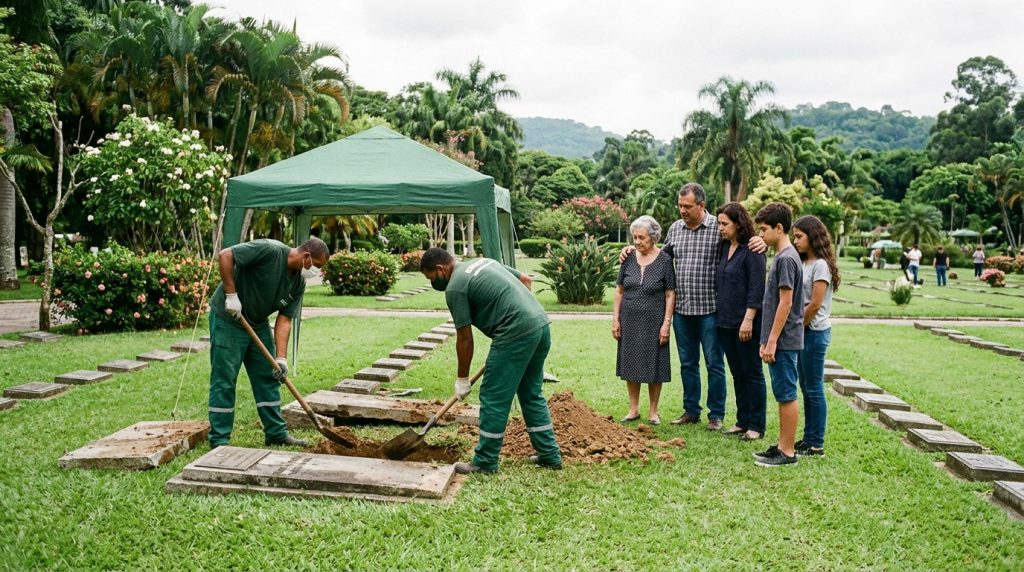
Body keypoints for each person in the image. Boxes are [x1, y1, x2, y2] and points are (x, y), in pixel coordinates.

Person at [421, 248, 561, 474]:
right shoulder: (483, 261)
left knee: (493, 396)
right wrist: (523, 314)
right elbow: (525, 279)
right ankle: (549, 455)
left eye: (432, 278)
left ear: (440, 269)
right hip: (540, 324)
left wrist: (462, 379)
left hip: (515, 332)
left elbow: (464, 338)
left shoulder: (455, 287)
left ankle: (485, 461)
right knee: (530, 393)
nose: (433, 284)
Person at [207, 237, 329, 449]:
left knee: (270, 375)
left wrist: (281, 359)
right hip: (228, 319)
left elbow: (284, 320)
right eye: (317, 266)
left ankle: (276, 433)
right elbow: (225, 255)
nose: (316, 271)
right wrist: (231, 295)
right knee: (225, 378)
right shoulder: (270, 250)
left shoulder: (298, 283)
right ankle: (219, 440)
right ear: (306, 256)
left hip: (258, 323)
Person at [752, 202, 803, 467]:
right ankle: (783, 445)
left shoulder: (785, 258)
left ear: (779, 228)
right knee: (783, 392)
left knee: (786, 394)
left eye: (763, 229)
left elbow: (785, 302)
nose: (760, 235)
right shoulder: (786, 256)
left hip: (783, 340)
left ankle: (788, 452)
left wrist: (771, 340)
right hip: (780, 339)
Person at [613, 216, 676, 425]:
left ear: (654, 237)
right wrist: (615, 320)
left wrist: (666, 323)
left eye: (641, 237)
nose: (637, 241)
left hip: (654, 320)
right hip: (629, 318)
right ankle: (633, 409)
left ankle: (653, 412)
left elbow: (670, 294)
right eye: (635, 237)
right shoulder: (628, 258)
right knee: (630, 361)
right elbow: (619, 290)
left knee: (655, 363)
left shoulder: (665, 260)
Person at [714, 203, 766, 441]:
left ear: (738, 223)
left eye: (725, 224)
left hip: (746, 323)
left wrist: (748, 320)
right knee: (737, 373)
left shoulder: (752, 249)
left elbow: (757, 289)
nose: (720, 228)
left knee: (752, 372)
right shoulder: (724, 247)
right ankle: (742, 420)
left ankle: (756, 424)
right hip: (724, 322)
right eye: (718, 223)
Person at [792, 215, 839, 457]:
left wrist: (798, 326)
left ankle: (816, 443)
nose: (796, 241)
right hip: (804, 331)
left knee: (814, 388)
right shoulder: (803, 262)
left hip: (814, 332)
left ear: (813, 236)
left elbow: (815, 304)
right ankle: (808, 438)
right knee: (806, 387)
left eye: (800, 236)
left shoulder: (820, 265)